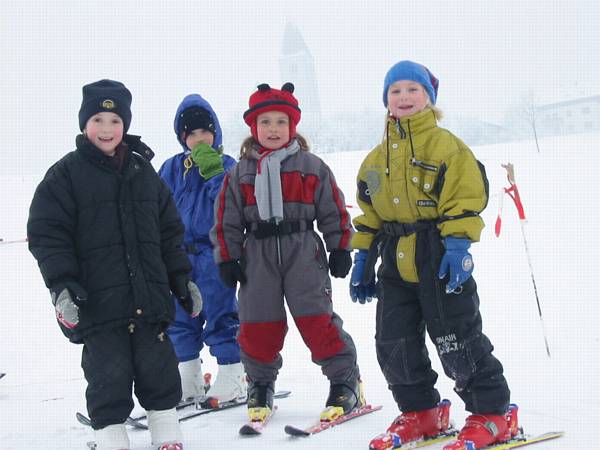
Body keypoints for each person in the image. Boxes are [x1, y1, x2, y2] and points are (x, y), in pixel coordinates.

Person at [349, 62, 518, 450]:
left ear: (429, 97)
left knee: (456, 339)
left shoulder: (447, 147)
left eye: (414, 89)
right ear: (386, 99)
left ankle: (493, 413)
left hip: (437, 254)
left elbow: (465, 196)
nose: (404, 97)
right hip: (394, 260)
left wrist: (457, 246)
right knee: (393, 341)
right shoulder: (374, 160)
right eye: (396, 90)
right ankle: (421, 411)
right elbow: (369, 213)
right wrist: (363, 258)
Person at [27, 79, 202, 450]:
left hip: (149, 298)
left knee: (158, 367)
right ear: (84, 124)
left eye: (115, 121)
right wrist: (62, 286)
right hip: (99, 302)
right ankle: (110, 436)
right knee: (108, 374)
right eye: (98, 120)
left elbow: (169, 232)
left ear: (125, 125)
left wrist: (181, 279)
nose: (106, 129)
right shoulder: (65, 175)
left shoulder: (143, 172)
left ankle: (166, 430)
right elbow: (47, 234)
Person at [210, 83, 364, 423]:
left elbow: (333, 208)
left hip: (302, 251)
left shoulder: (311, 166)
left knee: (316, 319)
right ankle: (260, 384)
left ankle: (345, 380)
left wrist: (340, 246)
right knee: (258, 323)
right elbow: (227, 219)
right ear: (254, 128)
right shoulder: (240, 172)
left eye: (281, 121)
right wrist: (228, 257)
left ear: (292, 125)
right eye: (265, 122)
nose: (273, 129)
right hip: (257, 256)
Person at [158, 94, 246, 406]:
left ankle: (233, 373)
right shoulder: (171, 168)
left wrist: (213, 174)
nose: (199, 139)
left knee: (221, 312)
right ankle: (188, 376)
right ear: (182, 137)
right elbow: (157, 208)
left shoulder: (227, 165)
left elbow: (230, 207)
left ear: (215, 132)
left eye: (204, 132)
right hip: (180, 256)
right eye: (191, 133)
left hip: (214, 253)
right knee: (180, 315)